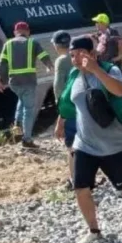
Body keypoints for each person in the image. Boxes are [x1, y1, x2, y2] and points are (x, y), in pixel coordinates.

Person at [59, 35, 122, 243]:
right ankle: (93, 231)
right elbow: (69, 101)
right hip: (84, 144)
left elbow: (119, 91)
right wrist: (60, 121)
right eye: (72, 55)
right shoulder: (74, 75)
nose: (76, 59)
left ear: (93, 54)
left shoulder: (109, 70)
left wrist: (96, 69)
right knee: (80, 188)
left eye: (80, 54)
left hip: (112, 144)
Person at [0, 21, 53, 148]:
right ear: (28, 31)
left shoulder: (8, 44)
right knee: (29, 110)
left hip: (14, 83)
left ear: (15, 32)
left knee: (21, 100)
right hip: (28, 81)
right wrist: (49, 66)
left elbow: (2, 63)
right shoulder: (32, 43)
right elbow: (44, 55)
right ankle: (27, 139)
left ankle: (17, 125)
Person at [51, 31, 75, 188]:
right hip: (84, 106)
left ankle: (75, 180)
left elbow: (59, 88)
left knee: (72, 146)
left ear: (56, 45)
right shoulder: (77, 55)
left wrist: (61, 115)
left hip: (70, 108)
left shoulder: (61, 60)